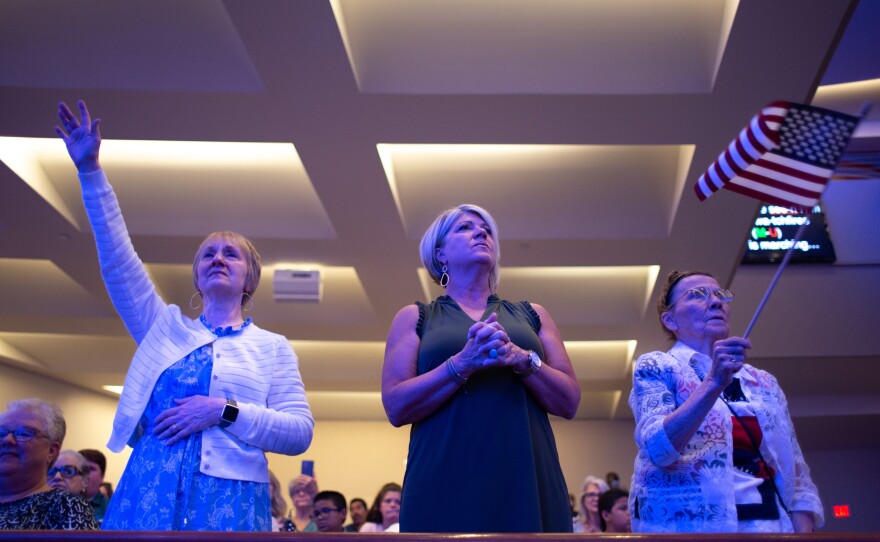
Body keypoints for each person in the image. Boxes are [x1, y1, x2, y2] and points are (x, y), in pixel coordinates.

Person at [55, 100, 314, 531]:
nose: (218, 258)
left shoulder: (272, 347)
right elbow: (119, 262)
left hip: (230, 494)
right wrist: (90, 173)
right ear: (196, 275)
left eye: (231, 253)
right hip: (151, 484)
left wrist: (223, 411)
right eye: (208, 254)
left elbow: (298, 432)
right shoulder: (164, 329)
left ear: (250, 276)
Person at [383, 204, 580, 533]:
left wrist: (523, 359)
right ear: (440, 254)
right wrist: (463, 362)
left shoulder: (534, 314)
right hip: (443, 477)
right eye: (464, 228)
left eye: (486, 229)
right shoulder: (414, 317)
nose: (481, 233)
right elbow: (396, 405)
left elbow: (570, 401)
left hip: (525, 477)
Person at [629, 270, 824, 533]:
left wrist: (802, 530)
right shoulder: (657, 366)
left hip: (770, 527)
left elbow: (795, 469)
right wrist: (713, 382)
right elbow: (658, 448)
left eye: (720, 295)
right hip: (690, 530)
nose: (716, 301)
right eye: (697, 295)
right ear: (670, 319)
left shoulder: (763, 381)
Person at [0, 398, 97, 530]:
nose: (7, 440)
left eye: (23, 433)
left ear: (52, 450)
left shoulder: (64, 506)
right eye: (1, 433)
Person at [78, 449, 109, 525]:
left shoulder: (111, 507)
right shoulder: (60, 503)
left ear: (102, 476)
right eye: (81, 468)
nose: (85, 473)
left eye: (91, 468)